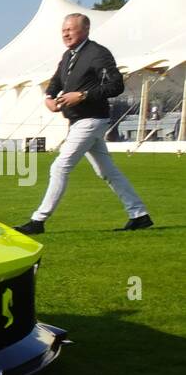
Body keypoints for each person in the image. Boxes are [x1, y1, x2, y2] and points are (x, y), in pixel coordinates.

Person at [14, 13, 152, 234]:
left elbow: (116, 86)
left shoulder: (98, 53)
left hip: (92, 120)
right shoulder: (68, 55)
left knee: (60, 166)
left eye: (70, 29)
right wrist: (49, 97)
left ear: (85, 30)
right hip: (79, 121)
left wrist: (84, 95)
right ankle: (139, 215)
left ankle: (38, 221)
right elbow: (57, 79)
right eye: (63, 30)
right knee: (107, 171)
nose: (65, 33)